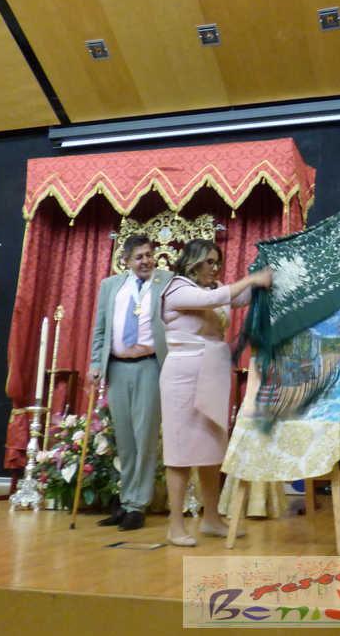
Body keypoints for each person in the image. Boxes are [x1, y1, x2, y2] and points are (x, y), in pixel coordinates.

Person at [159, 238, 272, 546]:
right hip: (183, 376)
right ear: (193, 261)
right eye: (209, 261)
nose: (215, 268)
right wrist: (251, 279)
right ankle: (176, 525)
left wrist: (267, 271)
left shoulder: (215, 289)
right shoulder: (177, 288)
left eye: (217, 262)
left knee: (211, 450)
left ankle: (211, 519)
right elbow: (217, 297)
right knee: (180, 453)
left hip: (212, 374)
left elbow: (240, 296)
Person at [88, 234, 173, 531]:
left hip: (150, 366)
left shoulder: (167, 281)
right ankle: (125, 502)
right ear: (125, 260)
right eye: (139, 257)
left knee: (144, 436)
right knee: (124, 439)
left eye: (149, 255)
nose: (146, 261)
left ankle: (138, 505)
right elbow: (100, 328)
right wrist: (95, 363)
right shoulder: (110, 285)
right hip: (117, 367)